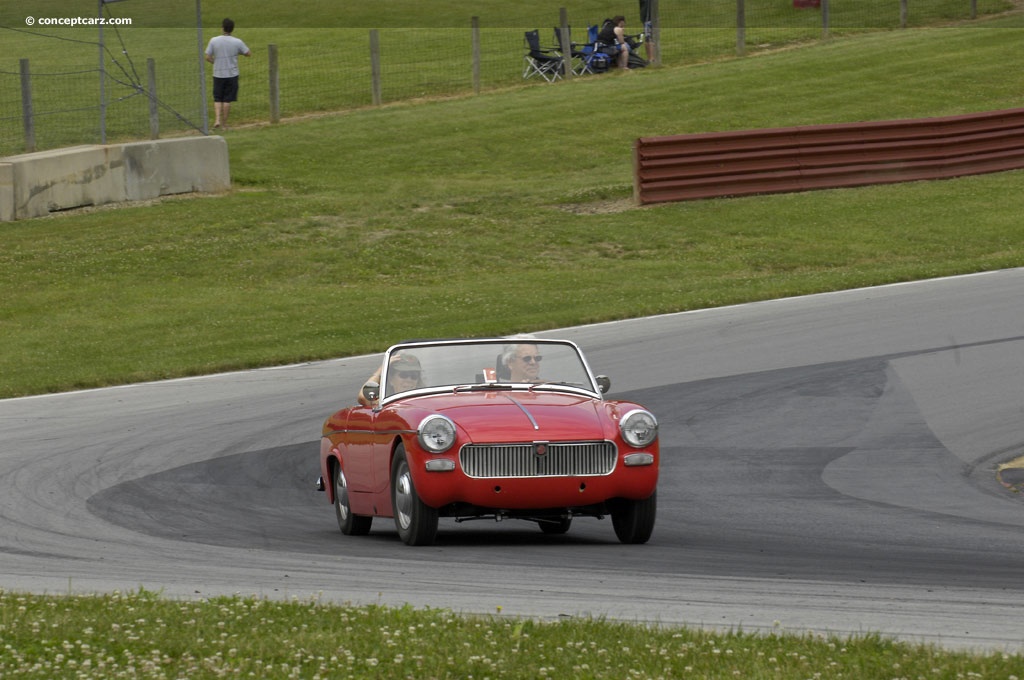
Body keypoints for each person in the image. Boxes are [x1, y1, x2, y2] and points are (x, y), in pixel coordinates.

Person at [204, 18, 251, 129]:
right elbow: (248, 53)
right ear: (232, 29)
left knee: (217, 98)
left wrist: (215, 62)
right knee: (227, 99)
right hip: (232, 74)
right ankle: (224, 124)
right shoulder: (237, 42)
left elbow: (207, 57)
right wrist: (238, 52)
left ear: (222, 28)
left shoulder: (214, 40)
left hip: (218, 74)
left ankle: (217, 120)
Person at [358, 353, 424, 406]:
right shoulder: (385, 402)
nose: (409, 380)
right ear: (391, 380)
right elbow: (364, 397)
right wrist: (381, 371)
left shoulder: (423, 400)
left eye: (414, 376)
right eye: (404, 375)